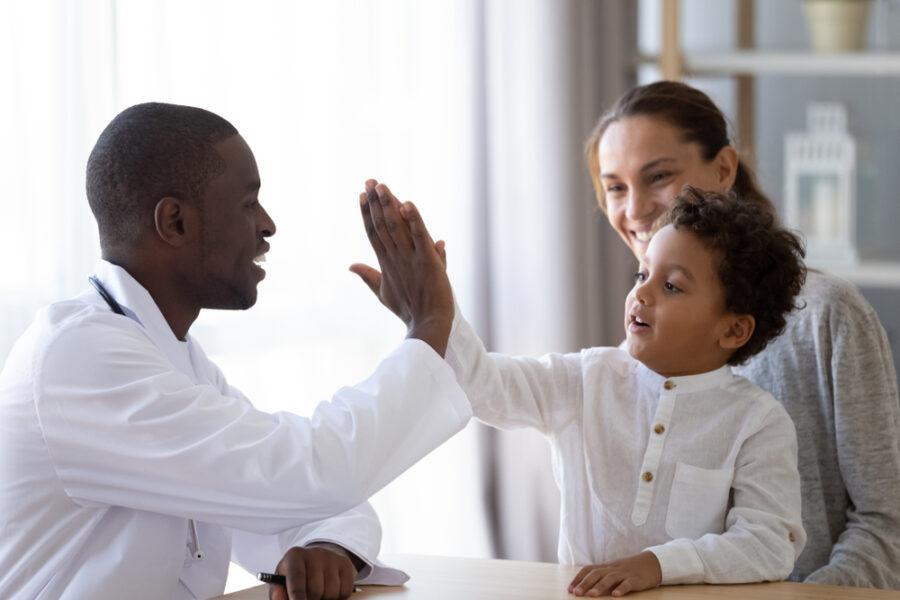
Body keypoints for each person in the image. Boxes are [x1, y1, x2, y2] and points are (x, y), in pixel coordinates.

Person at [0, 103, 472, 600]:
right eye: (249, 203)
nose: (268, 225)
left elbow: (297, 495)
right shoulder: (81, 360)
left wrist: (328, 546)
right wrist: (430, 324)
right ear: (175, 223)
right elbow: (308, 471)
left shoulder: (173, 359)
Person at [358, 182, 810, 596]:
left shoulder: (758, 422)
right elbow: (486, 388)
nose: (642, 295)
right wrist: (432, 313)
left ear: (733, 330)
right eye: (642, 275)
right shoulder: (586, 378)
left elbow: (769, 544)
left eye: (671, 286)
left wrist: (656, 565)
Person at [584, 80, 900, 588]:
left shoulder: (828, 316)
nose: (635, 208)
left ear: (725, 168)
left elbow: (887, 524)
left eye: (658, 176)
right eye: (615, 187)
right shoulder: (639, 341)